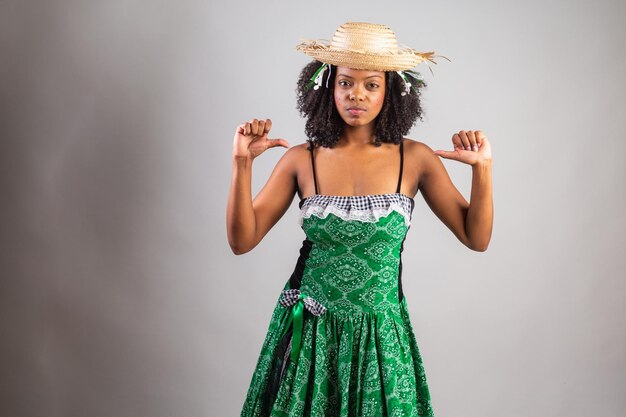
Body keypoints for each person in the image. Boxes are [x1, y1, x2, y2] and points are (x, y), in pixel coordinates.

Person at [227, 21, 493, 417]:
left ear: (390, 92)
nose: (357, 95)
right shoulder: (302, 159)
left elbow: (477, 238)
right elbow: (241, 241)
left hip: (380, 338)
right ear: (327, 87)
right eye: (346, 83)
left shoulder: (415, 158)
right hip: (311, 335)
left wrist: (482, 169)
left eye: (372, 85)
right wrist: (242, 163)